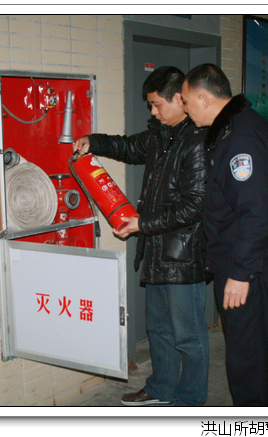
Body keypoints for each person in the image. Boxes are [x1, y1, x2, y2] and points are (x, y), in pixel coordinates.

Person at [73, 66, 209, 406]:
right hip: (156, 253)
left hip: (183, 257)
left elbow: (194, 207)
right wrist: (93, 141)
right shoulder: (160, 136)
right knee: (159, 330)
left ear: (179, 99)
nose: (153, 112)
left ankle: (190, 402)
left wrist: (141, 224)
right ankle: (161, 389)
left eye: (156, 104)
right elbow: (127, 147)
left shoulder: (197, 141)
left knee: (189, 338)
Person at [181, 63, 268, 406]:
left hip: (252, 271)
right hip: (251, 265)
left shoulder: (240, 139)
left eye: (186, 101)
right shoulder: (238, 128)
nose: (185, 109)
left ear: (204, 99)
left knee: (250, 363)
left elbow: (257, 213)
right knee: (251, 357)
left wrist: (240, 273)